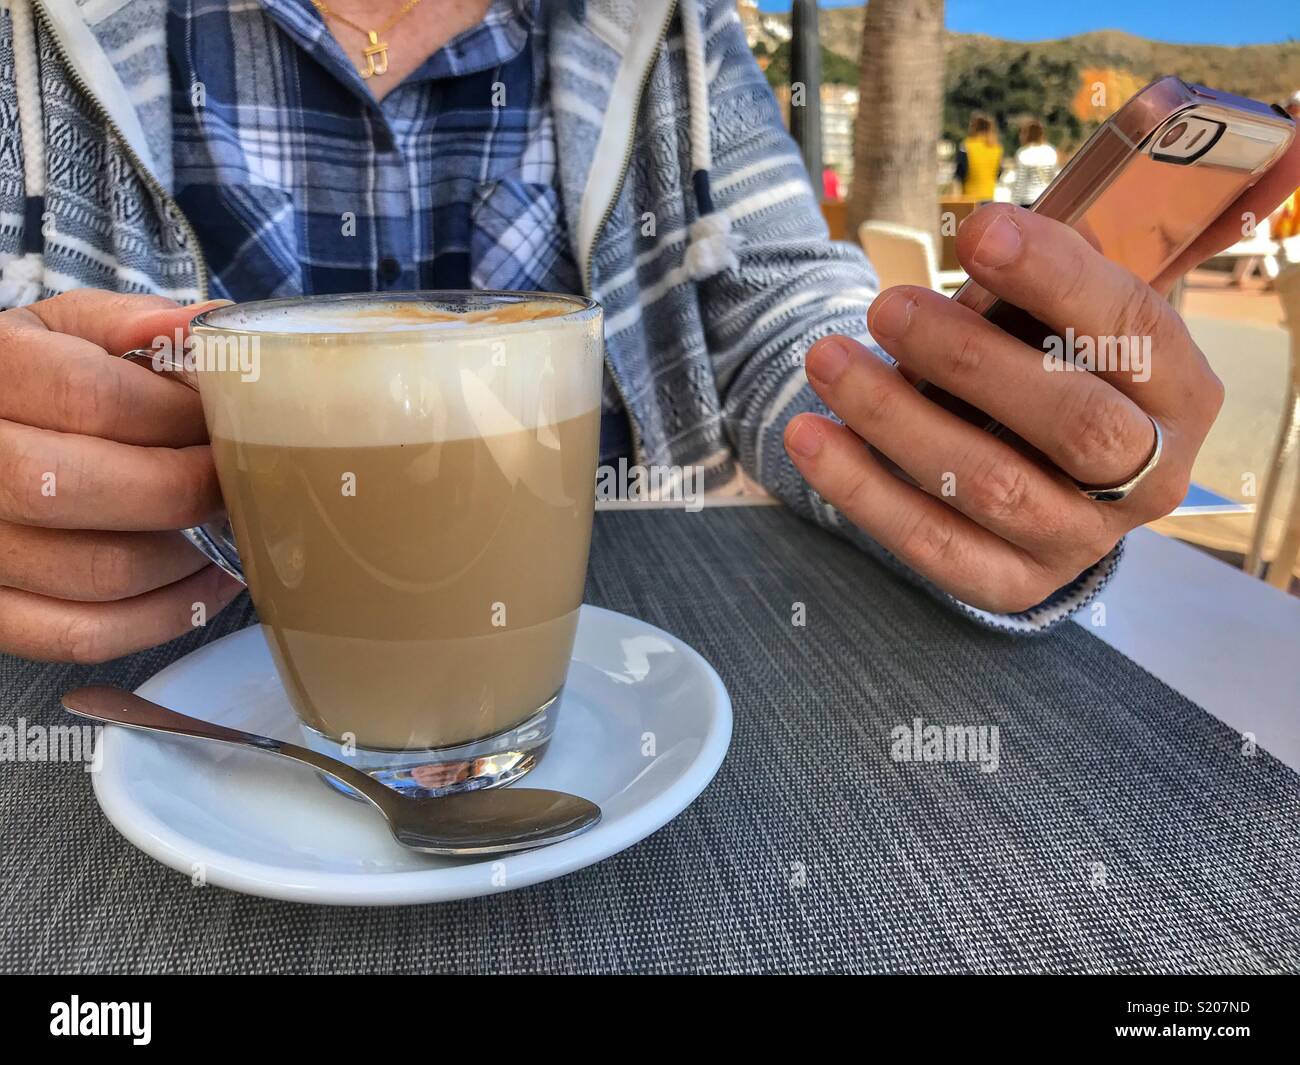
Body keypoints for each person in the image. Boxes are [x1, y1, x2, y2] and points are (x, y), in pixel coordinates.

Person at [0, 0, 1294, 664]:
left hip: (598, 687)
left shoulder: (672, 35)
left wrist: (958, 420)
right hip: (145, 712)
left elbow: (778, 302)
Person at [1010, 117, 1058, 208]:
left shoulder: (1023, 153)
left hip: (1027, 200)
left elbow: (1020, 182)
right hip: (1046, 198)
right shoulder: (1050, 151)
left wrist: (1014, 204)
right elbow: (1054, 177)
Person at [958, 113, 1003, 202]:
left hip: (970, 196)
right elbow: (999, 172)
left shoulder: (967, 145)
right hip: (989, 195)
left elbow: (960, 172)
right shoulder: (996, 147)